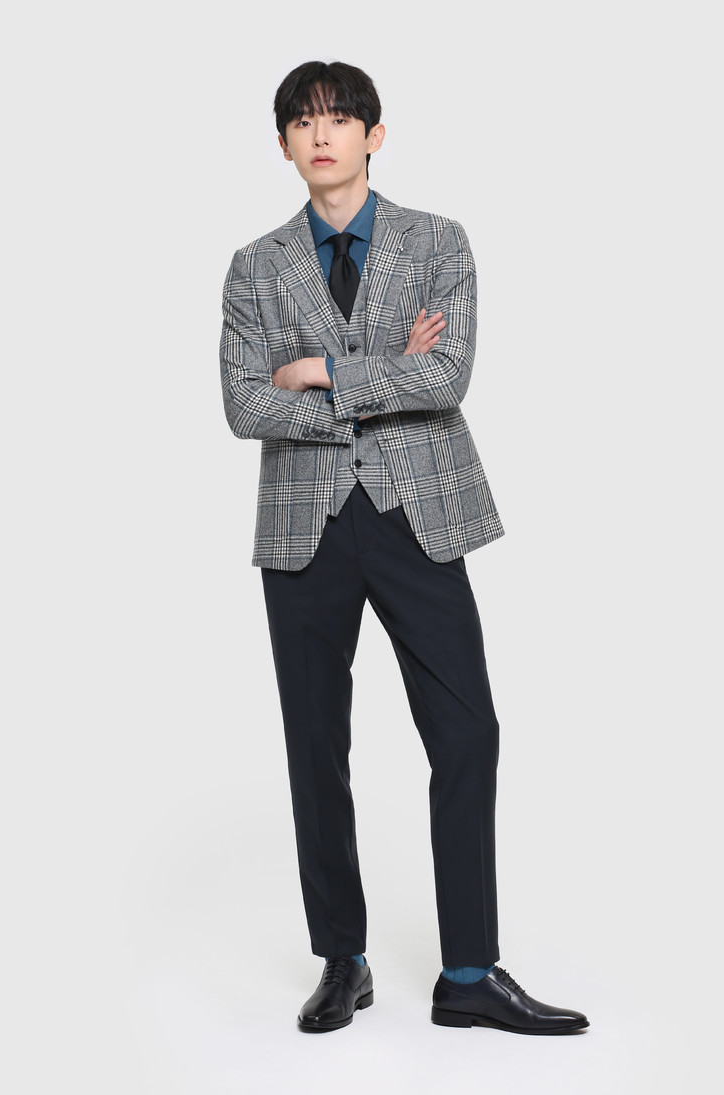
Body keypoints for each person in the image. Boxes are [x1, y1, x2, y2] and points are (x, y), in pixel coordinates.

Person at [219, 59, 589, 1036]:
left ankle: (467, 972)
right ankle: (342, 960)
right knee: (315, 745)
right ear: (283, 145)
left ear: (373, 136)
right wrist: (385, 374)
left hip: (416, 512)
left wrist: (315, 370)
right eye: (303, 122)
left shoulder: (437, 242)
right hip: (303, 526)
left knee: (467, 733)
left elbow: (448, 375)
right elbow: (242, 404)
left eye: (340, 118)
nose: (322, 134)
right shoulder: (254, 266)